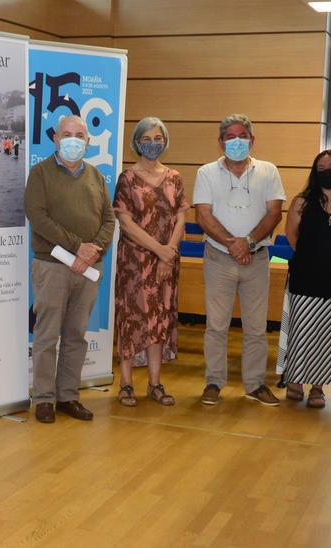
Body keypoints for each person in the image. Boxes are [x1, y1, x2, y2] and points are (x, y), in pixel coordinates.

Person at [24, 115, 116, 423]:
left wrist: (92, 251)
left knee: (76, 334)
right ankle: (45, 399)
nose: (73, 139)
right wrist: (78, 247)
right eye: (67, 134)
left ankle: (68, 396)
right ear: (56, 139)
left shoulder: (96, 176)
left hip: (87, 269)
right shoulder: (40, 173)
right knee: (47, 335)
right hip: (52, 266)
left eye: (80, 134)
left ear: (89, 141)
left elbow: (109, 219)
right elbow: (38, 217)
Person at [192, 113, 286, 407]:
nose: (236, 142)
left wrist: (249, 243)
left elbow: (274, 212)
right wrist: (234, 244)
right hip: (219, 259)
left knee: (257, 328)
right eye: (229, 137)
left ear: (252, 140)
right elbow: (203, 215)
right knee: (216, 326)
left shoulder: (268, 170)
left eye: (241, 136)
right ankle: (214, 382)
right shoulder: (206, 172)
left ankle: (255, 384)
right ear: (220, 142)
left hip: (256, 260)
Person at [276, 150, 331, 409]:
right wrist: (313, 256)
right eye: (321, 167)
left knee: (329, 335)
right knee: (302, 330)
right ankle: (295, 380)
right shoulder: (301, 202)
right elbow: (292, 236)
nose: (327, 171)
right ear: (315, 173)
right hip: (306, 275)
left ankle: (318, 386)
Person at [112, 117, 187, 407]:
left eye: (158, 139)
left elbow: (181, 215)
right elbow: (126, 223)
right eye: (147, 138)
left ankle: (155, 383)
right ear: (136, 141)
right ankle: (126, 383)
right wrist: (159, 249)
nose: (153, 144)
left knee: (160, 318)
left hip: (167, 261)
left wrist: (169, 251)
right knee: (132, 319)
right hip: (135, 262)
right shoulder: (127, 179)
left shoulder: (174, 177)